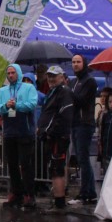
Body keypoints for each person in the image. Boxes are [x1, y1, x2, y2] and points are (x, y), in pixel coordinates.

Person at [0, 63, 39, 209]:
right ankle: (16, 193)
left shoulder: (28, 88)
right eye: (9, 73)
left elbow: (32, 104)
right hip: (9, 132)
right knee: (11, 165)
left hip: (25, 131)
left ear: (18, 73)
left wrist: (16, 105)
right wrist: (6, 106)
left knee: (25, 164)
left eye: (13, 73)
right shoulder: (2, 91)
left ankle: (29, 194)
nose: (10, 75)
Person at [37, 65, 74, 210]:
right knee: (54, 168)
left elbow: (64, 115)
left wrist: (49, 132)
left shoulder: (64, 92)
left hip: (58, 137)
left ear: (62, 77)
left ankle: (59, 204)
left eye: (54, 76)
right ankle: (58, 200)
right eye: (49, 76)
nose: (51, 79)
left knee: (57, 168)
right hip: (51, 137)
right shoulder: (52, 92)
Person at [68, 54, 98, 205]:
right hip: (74, 123)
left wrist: (68, 92)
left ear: (84, 63)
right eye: (73, 62)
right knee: (81, 158)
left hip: (84, 123)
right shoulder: (73, 82)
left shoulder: (89, 81)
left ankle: (86, 192)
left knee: (83, 158)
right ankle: (90, 192)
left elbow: (81, 101)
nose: (75, 64)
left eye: (78, 62)